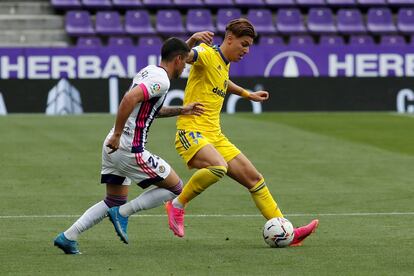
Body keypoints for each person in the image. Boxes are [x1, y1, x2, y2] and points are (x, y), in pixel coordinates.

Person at [165, 18, 319, 247]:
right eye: (244, 44)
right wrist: (192, 40)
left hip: (214, 136)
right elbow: (178, 58)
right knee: (218, 167)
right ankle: (177, 205)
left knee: (255, 180)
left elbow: (222, 81)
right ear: (229, 39)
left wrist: (248, 95)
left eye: (249, 46)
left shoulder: (222, 61)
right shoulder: (205, 53)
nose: (246, 50)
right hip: (191, 132)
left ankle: (289, 232)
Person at [54, 34, 210, 254]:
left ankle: (69, 236)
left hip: (112, 146)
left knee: (113, 199)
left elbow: (149, 111)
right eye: (184, 62)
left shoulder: (149, 71)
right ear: (177, 59)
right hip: (129, 148)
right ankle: (124, 213)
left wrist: (182, 110)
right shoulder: (162, 80)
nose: (184, 68)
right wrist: (119, 134)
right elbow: (129, 99)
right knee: (176, 188)